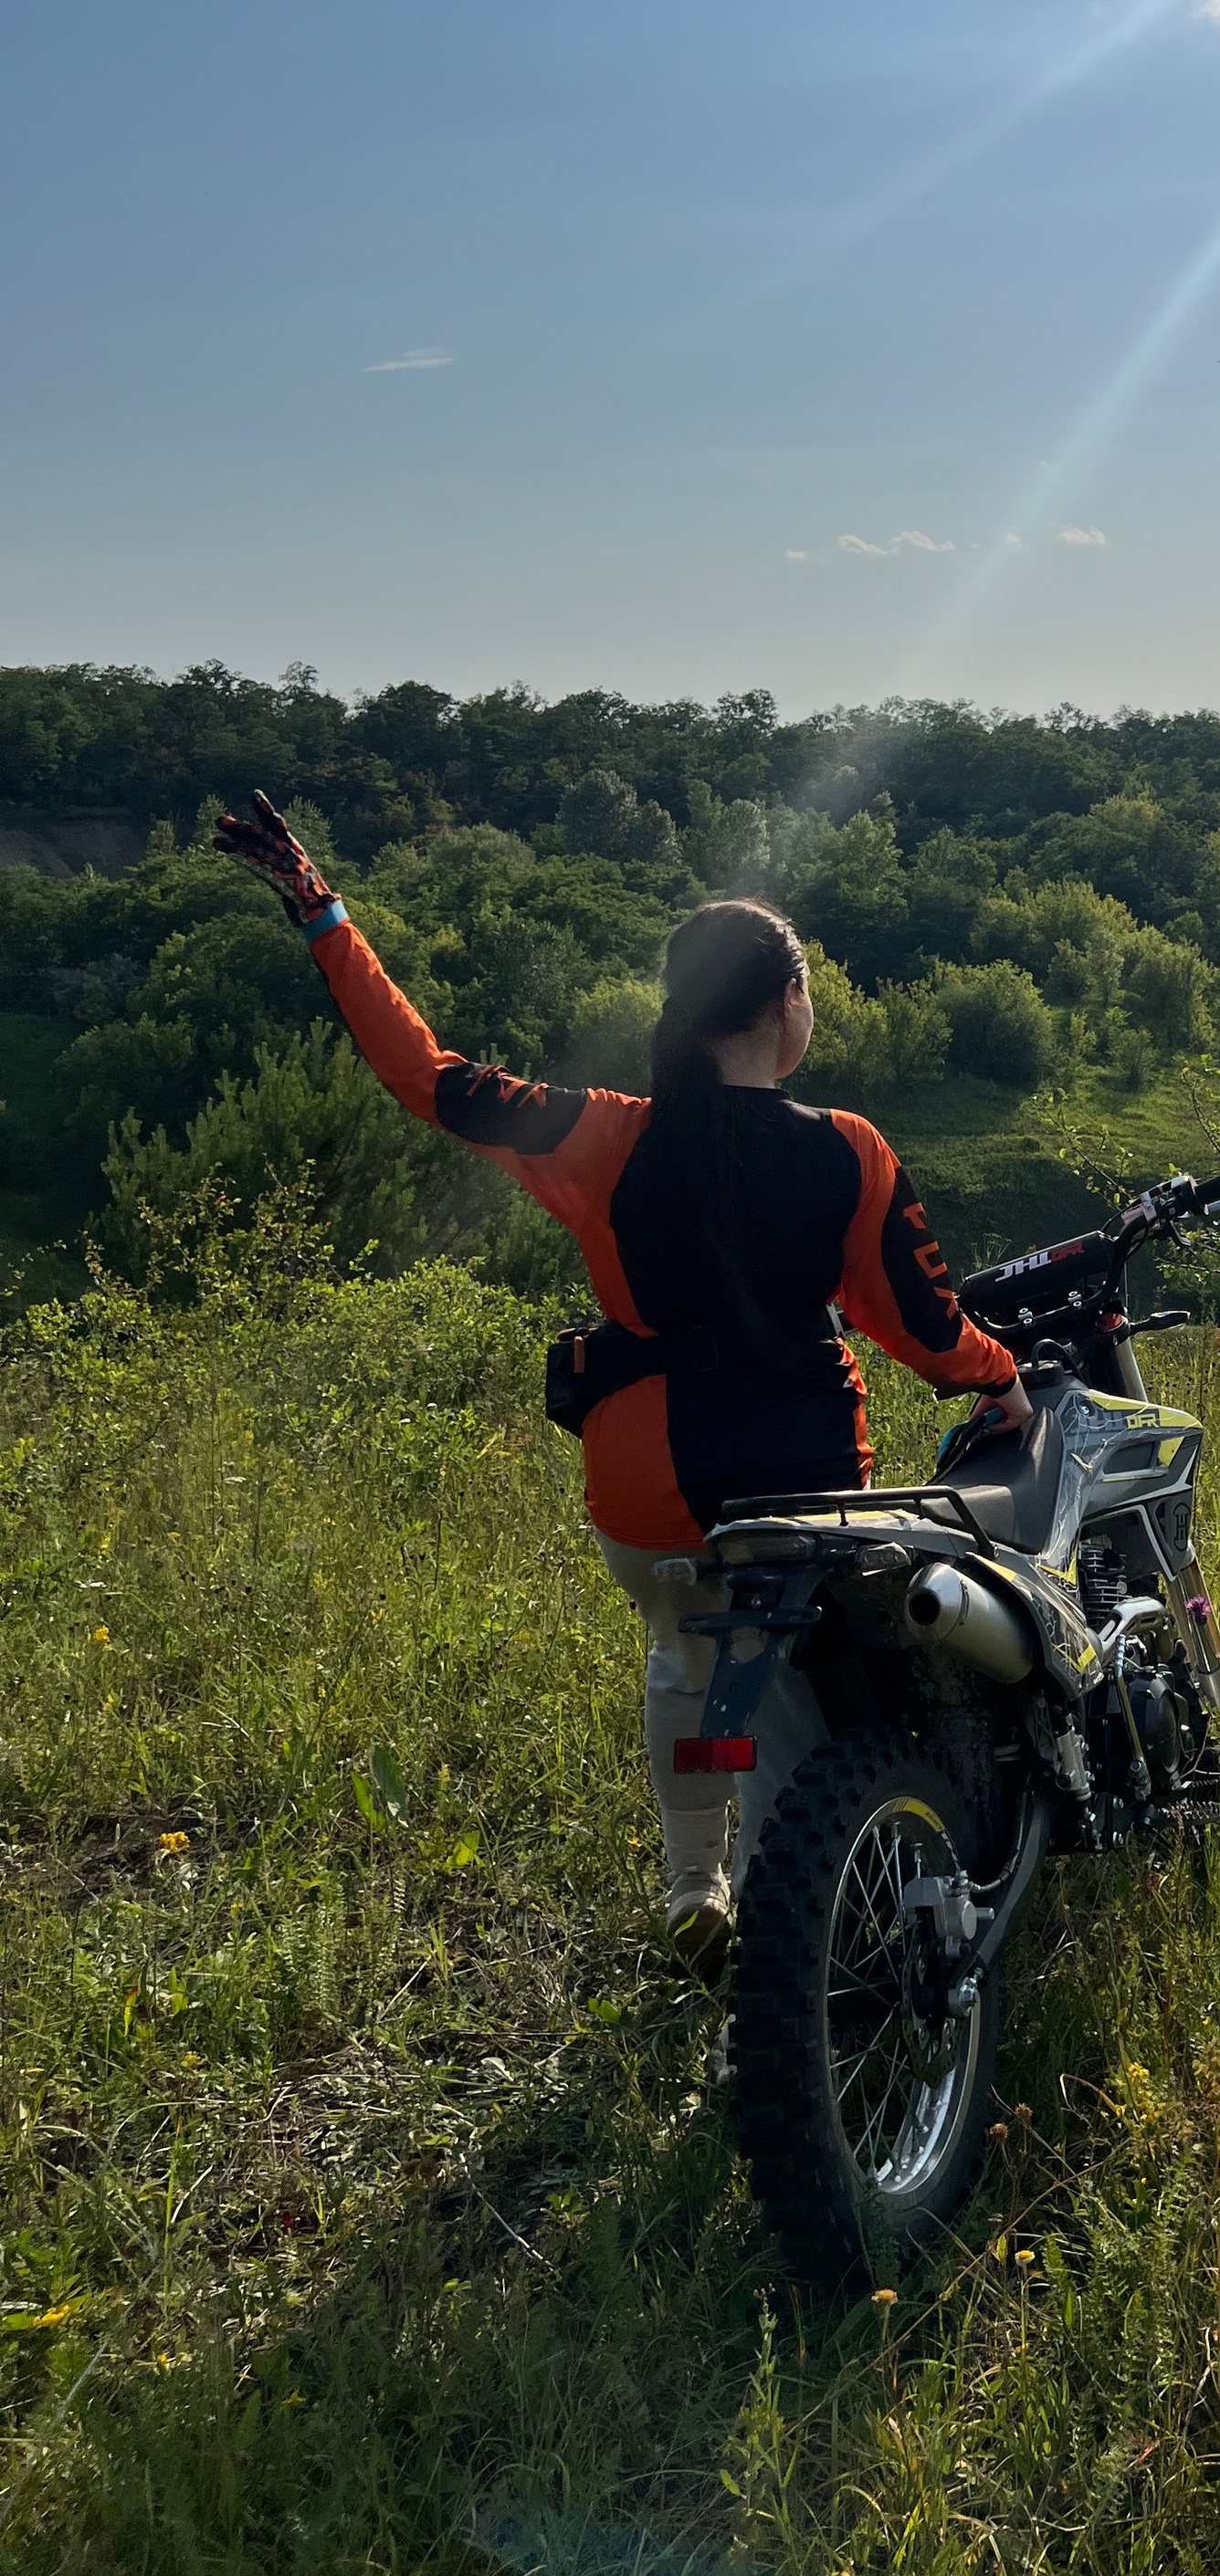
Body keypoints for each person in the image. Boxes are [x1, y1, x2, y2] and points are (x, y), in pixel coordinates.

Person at [213, 792, 1028, 1980]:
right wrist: (1001, 1385)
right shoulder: (850, 1147)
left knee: (687, 1661)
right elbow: (923, 1326)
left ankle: (695, 1881)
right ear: (787, 1004)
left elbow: (428, 1076)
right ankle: (783, 1918)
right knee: (801, 1697)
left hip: (647, 1495)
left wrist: (324, 911)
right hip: (799, 1496)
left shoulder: (603, 1135)